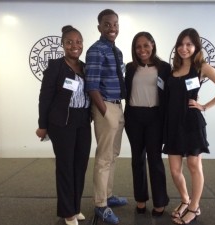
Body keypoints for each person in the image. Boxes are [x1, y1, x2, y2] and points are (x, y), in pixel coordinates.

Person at [162, 28, 215, 225]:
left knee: (194, 165)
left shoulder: (201, 67)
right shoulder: (172, 69)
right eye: (181, 44)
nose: (184, 48)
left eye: (189, 44)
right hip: (173, 124)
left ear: (195, 47)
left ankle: (194, 207)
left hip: (192, 122)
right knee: (175, 170)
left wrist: (204, 106)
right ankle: (185, 200)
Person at [36, 25, 91, 225]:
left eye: (78, 42)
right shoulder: (56, 67)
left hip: (83, 121)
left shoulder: (85, 67)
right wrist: (42, 125)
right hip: (62, 123)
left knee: (80, 166)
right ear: (63, 44)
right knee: (65, 167)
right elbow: (45, 98)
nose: (74, 46)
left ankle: (76, 207)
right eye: (69, 42)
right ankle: (67, 212)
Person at [85, 9, 127, 225]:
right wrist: (104, 112)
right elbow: (91, 86)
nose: (113, 28)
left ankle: (108, 195)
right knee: (103, 158)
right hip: (106, 108)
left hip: (118, 106)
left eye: (116, 24)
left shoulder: (117, 51)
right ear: (99, 27)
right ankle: (101, 205)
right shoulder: (95, 50)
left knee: (113, 155)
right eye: (108, 24)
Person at [124, 32, 170, 216]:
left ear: (153, 45)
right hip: (133, 117)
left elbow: (171, 92)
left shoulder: (165, 68)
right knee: (137, 160)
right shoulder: (129, 67)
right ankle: (140, 199)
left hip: (155, 118)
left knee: (155, 159)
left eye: (145, 45)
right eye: (138, 47)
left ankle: (160, 201)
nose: (142, 50)